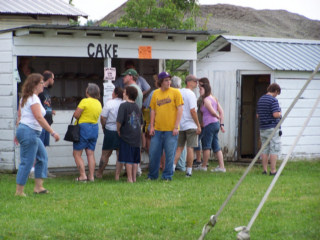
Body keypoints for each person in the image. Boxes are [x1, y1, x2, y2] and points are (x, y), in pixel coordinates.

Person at [14, 73, 60, 196]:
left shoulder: (26, 98)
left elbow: (20, 116)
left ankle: (38, 187)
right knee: (27, 162)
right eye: (41, 83)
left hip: (28, 131)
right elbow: (39, 117)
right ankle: (19, 191)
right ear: (34, 85)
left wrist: (18, 133)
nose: (43, 85)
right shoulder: (33, 98)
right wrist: (52, 132)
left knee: (42, 157)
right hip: (29, 132)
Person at [148, 72, 184, 181]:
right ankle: (152, 176)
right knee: (154, 153)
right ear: (160, 82)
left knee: (169, 154)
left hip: (171, 130)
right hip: (158, 130)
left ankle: (167, 176)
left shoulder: (175, 92)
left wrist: (176, 126)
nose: (169, 82)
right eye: (166, 80)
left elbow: (180, 109)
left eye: (169, 80)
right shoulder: (155, 93)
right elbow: (153, 110)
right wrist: (152, 126)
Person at [73, 83, 102, 182]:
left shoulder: (84, 101)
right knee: (90, 153)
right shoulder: (98, 103)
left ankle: (82, 175)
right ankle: (91, 176)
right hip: (94, 128)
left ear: (88, 92)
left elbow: (76, 115)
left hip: (83, 127)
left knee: (77, 153)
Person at [173, 75, 201, 177]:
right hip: (191, 124)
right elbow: (193, 111)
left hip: (180, 124)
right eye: (195, 81)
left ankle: (172, 168)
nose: (196, 83)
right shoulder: (191, 94)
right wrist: (198, 125)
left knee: (179, 148)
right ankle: (189, 171)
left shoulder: (179, 92)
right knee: (190, 148)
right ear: (189, 82)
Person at [197, 79, 226, 172]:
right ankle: (222, 167)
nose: (199, 91)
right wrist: (221, 124)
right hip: (216, 125)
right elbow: (221, 111)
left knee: (206, 146)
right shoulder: (214, 98)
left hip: (209, 124)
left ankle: (204, 166)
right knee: (216, 146)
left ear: (205, 89)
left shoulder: (206, 100)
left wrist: (216, 116)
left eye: (200, 89)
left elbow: (212, 111)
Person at [96, 87, 124, 179]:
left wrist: (104, 127)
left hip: (110, 130)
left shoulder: (109, 103)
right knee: (120, 155)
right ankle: (117, 176)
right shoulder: (124, 103)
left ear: (115, 94)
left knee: (105, 154)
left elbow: (103, 118)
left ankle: (99, 173)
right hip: (122, 131)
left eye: (112, 92)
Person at [117, 86, 143, 183]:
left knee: (128, 158)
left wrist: (118, 129)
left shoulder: (123, 106)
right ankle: (134, 178)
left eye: (124, 92)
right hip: (136, 135)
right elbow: (141, 123)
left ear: (127, 94)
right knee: (135, 159)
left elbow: (119, 121)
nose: (123, 94)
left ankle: (129, 178)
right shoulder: (137, 106)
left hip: (126, 135)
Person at [256, 83, 282, 175]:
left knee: (264, 149)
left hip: (263, 128)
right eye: (277, 93)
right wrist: (280, 114)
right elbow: (275, 114)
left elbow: (257, 115)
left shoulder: (261, 99)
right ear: (275, 91)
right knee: (274, 148)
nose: (276, 95)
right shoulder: (273, 100)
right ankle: (273, 170)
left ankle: (264, 170)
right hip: (272, 128)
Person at [37, 70, 56, 178]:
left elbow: (45, 106)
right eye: (53, 78)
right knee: (39, 147)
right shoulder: (40, 91)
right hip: (41, 124)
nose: (53, 81)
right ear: (49, 79)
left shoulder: (47, 91)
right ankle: (35, 171)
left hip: (48, 123)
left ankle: (44, 170)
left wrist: (50, 111)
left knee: (43, 147)